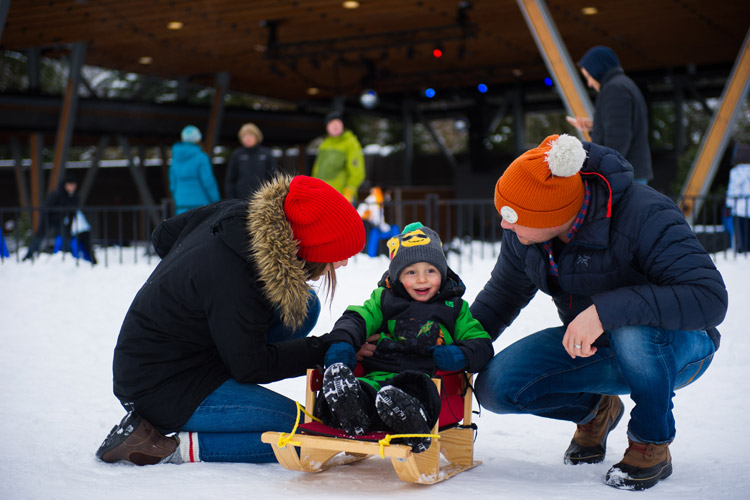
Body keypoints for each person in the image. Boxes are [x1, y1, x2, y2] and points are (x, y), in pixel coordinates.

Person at [469, 134, 727, 490]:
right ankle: (596, 410)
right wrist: (454, 343)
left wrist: (605, 312)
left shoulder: (646, 214)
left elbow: (709, 299)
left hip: (679, 346)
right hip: (595, 347)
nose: (504, 225)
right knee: (497, 388)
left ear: (555, 214)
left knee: (631, 329)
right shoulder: (526, 235)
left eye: (512, 217)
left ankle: (650, 442)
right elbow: (502, 295)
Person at [95, 175, 366, 465]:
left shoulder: (238, 213)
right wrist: (325, 349)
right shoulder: (237, 279)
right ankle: (169, 448)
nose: (344, 262)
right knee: (306, 438)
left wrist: (191, 298)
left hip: (178, 354)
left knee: (304, 306)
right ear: (310, 245)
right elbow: (253, 366)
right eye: (338, 253)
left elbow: (163, 235)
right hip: (163, 386)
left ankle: (230, 350)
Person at [319, 222, 493, 452]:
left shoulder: (454, 308)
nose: (422, 280)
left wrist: (458, 354)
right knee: (368, 389)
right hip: (380, 374)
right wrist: (342, 342)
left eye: (430, 271)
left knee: (413, 392)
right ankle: (351, 408)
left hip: (426, 378)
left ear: (442, 272)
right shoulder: (383, 299)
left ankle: (409, 418)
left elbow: (481, 344)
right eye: (411, 272)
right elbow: (357, 317)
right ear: (398, 276)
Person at [567, 46, 653, 184]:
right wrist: (595, 127)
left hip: (622, 177)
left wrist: (601, 174)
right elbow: (620, 127)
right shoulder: (623, 84)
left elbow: (617, 139)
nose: (589, 83)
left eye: (589, 76)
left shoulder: (614, 89)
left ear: (598, 69)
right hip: (629, 172)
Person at [22, 173, 97, 264]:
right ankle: (28, 257)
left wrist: (69, 226)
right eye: (70, 185)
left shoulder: (75, 197)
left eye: (74, 185)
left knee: (66, 237)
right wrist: (44, 222)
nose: (72, 187)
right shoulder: (57, 194)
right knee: (39, 237)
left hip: (61, 220)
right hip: (48, 218)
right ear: (65, 185)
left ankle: (68, 256)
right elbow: (47, 208)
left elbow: (72, 213)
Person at [311, 111, 365, 204]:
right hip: (322, 197)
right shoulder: (324, 144)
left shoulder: (350, 143)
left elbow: (357, 171)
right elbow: (317, 170)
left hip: (342, 197)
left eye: (338, 122)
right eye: (331, 123)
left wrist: (349, 190)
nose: (335, 126)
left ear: (342, 125)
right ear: (327, 127)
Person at [169, 125, 220, 214]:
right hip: (201, 204)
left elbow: (173, 185)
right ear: (198, 139)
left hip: (181, 204)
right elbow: (208, 182)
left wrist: (178, 199)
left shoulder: (175, 160)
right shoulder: (201, 157)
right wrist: (216, 201)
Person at [224, 122, 279, 200]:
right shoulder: (237, 154)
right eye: (244, 136)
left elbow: (274, 178)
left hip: (263, 199)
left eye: (250, 135)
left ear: (257, 136)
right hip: (241, 199)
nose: (247, 138)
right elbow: (230, 179)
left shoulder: (266, 154)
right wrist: (231, 199)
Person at [726, 143, 750, 253]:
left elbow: (733, 190)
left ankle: (742, 251)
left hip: (739, 208)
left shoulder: (736, 172)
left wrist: (728, 204)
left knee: (741, 236)